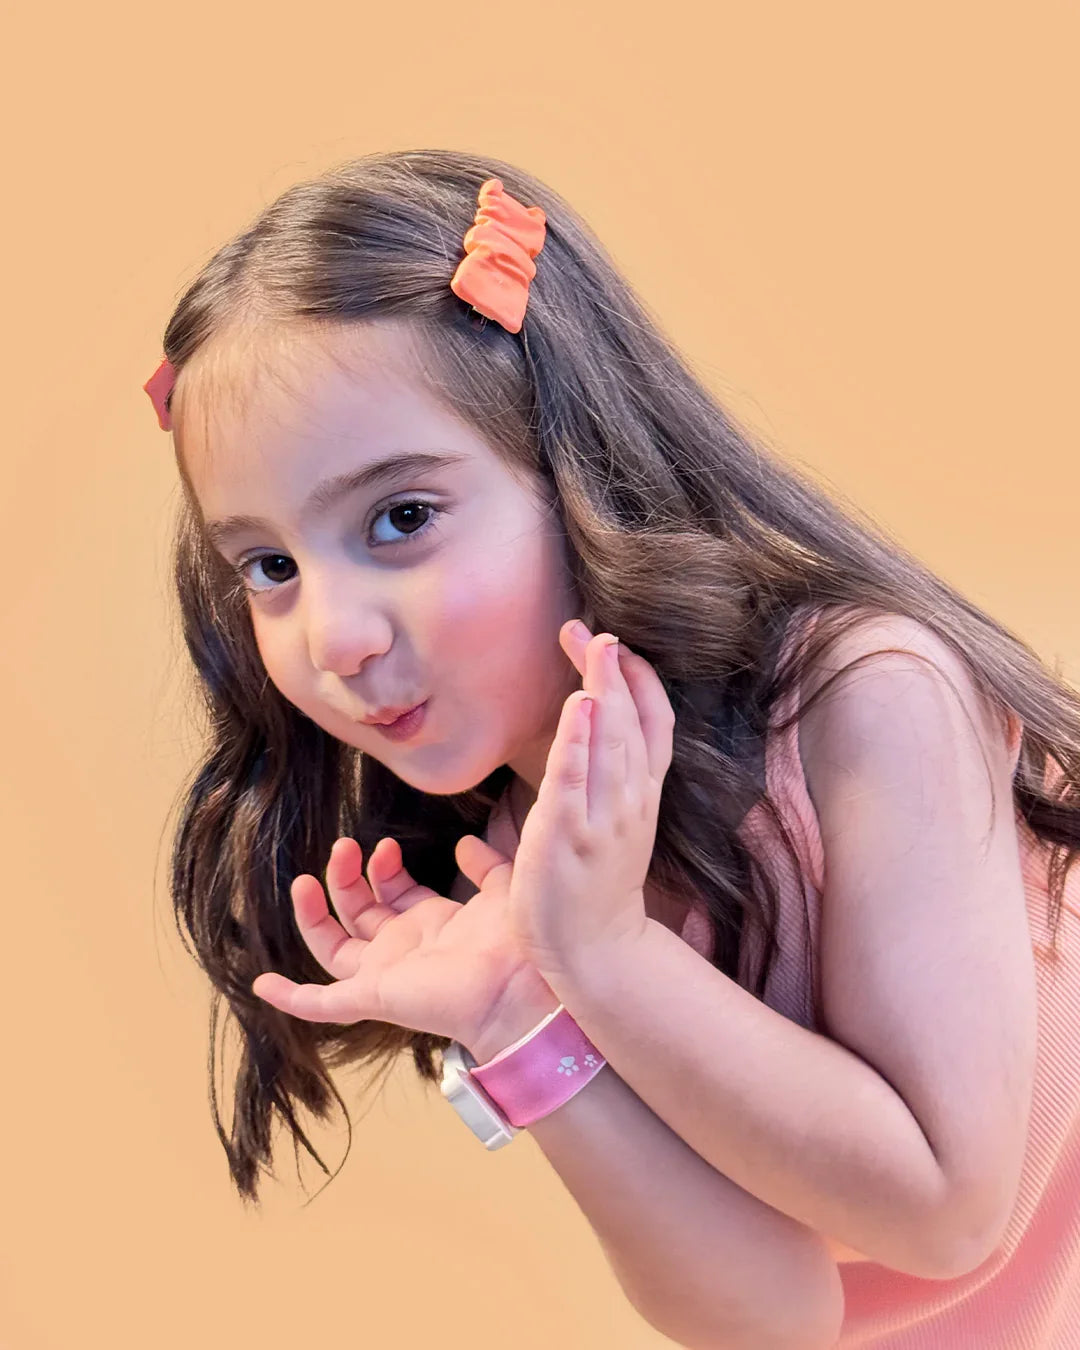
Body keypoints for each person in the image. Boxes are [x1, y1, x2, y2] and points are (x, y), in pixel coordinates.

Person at [144, 149, 1080, 1349]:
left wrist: (605, 955)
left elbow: (948, 1215)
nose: (335, 637)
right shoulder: (520, 852)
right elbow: (781, 1318)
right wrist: (520, 1015)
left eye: (401, 518)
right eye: (270, 565)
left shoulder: (869, 697)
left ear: (577, 464)